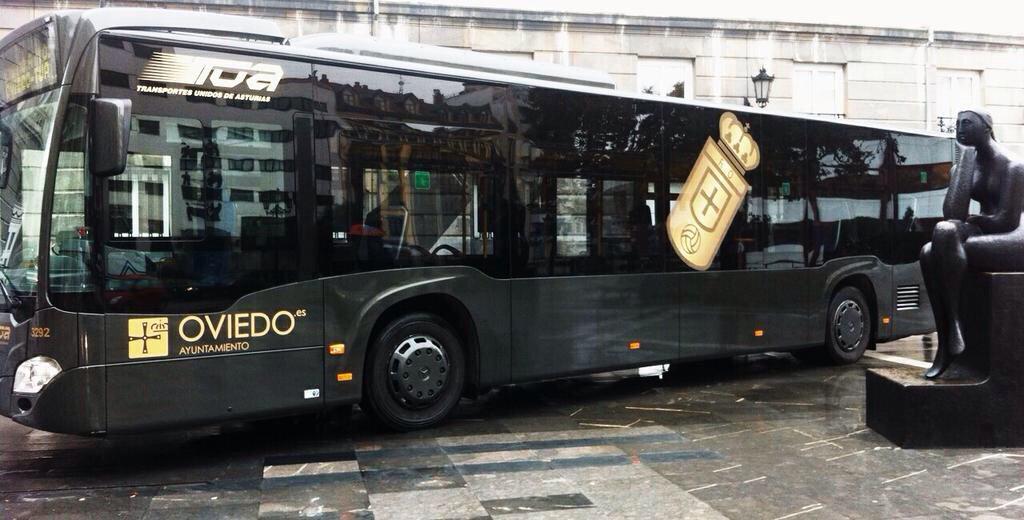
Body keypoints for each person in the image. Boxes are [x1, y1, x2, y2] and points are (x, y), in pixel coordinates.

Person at [920, 109, 1024, 378]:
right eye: (956, 124)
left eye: (966, 123)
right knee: (931, 249)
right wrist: (965, 162)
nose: (959, 128)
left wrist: (975, 222)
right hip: (986, 226)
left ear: (986, 127)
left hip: (1015, 235)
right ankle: (950, 336)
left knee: (960, 248)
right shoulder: (965, 164)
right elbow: (952, 215)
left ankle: (953, 332)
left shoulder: (1013, 165)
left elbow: (1007, 220)